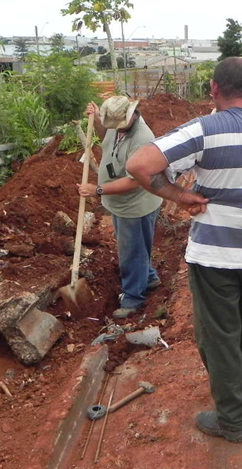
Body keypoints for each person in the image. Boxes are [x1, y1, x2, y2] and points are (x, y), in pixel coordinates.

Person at [126, 57, 242, 443]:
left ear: (214, 89)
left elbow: (139, 164)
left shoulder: (204, 130)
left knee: (220, 336)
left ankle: (232, 419)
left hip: (216, 255)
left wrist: (179, 196)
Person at [77, 96, 164, 319]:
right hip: (120, 204)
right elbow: (106, 137)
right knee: (137, 245)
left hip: (135, 205)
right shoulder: (119, 126)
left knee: (131, 252)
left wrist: (97, 190)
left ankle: (134, 297)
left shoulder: (143, 139)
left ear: (132, 115)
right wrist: (96, 120)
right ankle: (149, 277)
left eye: (118, 124)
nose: (115, 128)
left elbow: (134, 180)